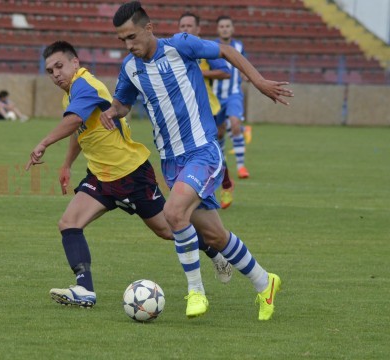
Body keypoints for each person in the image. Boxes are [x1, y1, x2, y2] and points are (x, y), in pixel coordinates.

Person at [101, 1, 292, 320]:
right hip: (172, 163)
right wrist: (111, 112)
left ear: (149, 28)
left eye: (132, 37)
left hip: (203, 150)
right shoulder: (130, 68)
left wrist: (257, 82)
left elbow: (226, 52)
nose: (129, 45)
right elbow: (122, 103)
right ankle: (265, 282)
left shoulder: (181, 45)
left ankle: (196, 292)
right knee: (215, 236)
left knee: (174, 213)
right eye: (122, 40)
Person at [25, 40, 232, 308]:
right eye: (50, 70)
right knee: (68, 223)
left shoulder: (84, 84)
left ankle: (216, 252)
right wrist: (66, 164)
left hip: (131, 174)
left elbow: (75, 120)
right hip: (101, 177)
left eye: (59, 66)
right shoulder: (72, 94)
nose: (55, 74)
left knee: (169, 230)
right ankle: (84, 289)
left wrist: (43, 143)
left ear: (75, 62)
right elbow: (81, 129)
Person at [178, 12, 235, 209]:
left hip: (209, 109)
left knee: (212, 152)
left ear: (198, 29)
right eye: (182, 26)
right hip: (185, 111)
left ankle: (224, 185)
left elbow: (225, 72)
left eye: (189, 26)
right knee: (190, 152)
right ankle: (197, 191)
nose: (185, 29)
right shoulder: (174, 50)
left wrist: (201, 72)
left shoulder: (203, 49)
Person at [214, 15, 251, 179]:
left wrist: (245, 74)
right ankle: (222, 165)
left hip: (234, 93)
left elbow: (242, 63)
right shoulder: (212, 46)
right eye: (222, 26)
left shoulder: (238, 45)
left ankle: (241, 167)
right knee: (219, 133)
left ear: (232, 29)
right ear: (218, 29)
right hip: (215, 96)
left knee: (235, 123)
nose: (225, 29)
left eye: (227, 26)